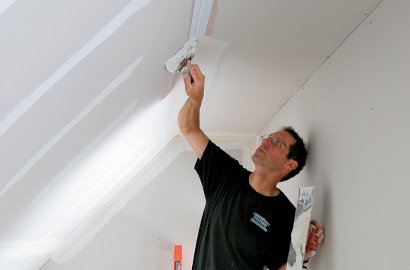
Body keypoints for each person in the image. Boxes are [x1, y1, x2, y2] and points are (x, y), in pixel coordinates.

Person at [178, 61, 324, 270]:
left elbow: (286, 267)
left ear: (290, 163)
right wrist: (195, 99)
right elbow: (188, 127)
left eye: (276, 142)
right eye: (267, 137)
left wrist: (304, 253)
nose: (265, 141)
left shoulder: (287, 217)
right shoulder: (225, 174)